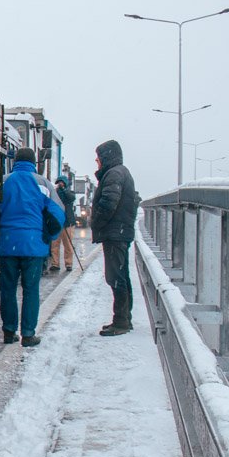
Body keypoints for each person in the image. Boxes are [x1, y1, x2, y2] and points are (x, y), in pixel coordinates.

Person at [0, 147, 64, 347]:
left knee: (7, 290)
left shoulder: (4, 181)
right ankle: (28, 334)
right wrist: (48, 236)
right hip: (34, 246)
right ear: (34, 163)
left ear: (16, 161)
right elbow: (58, 214)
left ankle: (9, 332)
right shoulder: (43, 183)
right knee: (31, 290)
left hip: (8, 243)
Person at [91, 139, 139, 336]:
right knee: (120, 275)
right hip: (119, 232)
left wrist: (96, 222)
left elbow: (108, 203)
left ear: (107, 156)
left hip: (115, 233)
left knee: (116, 277)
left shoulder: (114, 174)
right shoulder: (119, 172)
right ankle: (123, 318)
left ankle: (121, 322)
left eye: (99, 158)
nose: (97, 162)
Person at [48, 175, 77, 272]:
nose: (60, 184)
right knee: (54, 244)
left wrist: (64, 189)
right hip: (57, 222)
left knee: (68, 244)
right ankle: (55, 263)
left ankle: (68, 263)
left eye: (62, 182)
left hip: (68, 223)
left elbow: (71, 198)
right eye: (59, 182)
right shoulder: (55, 193)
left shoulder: (69, 192)